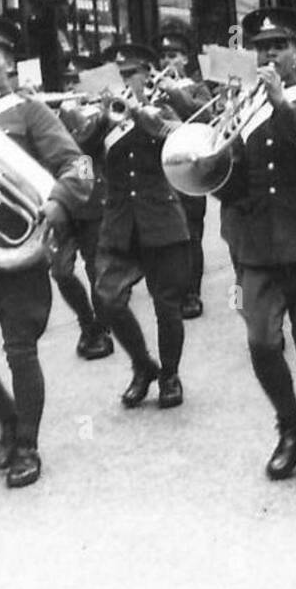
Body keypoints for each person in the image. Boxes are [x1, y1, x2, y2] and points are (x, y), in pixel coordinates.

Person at [0, 36, 93, 487]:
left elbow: (80, 166)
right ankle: (7, 417)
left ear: (10, 64)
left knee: (20, 352)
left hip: (18, 250)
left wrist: (60, 203)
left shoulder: (30, 111)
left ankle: (26, 442)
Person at [215, 7, 296, 484]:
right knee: (261, 342)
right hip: (256, 243)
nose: (268, 54)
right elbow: (226, 177)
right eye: (260, 47)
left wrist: (283, 107)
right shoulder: (238, 105)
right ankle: (291, 425)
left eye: (278, 46)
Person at [92, 43, 193, 409]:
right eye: (116, 76)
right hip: (120, 223)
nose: (121, 82)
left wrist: (136, 111)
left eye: (127, 75)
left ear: (145, 76)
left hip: (161, 221)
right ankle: (142, 365)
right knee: (106, 299)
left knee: (166, 306)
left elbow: (177, 139)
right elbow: (81, 153)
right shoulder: (103, 117)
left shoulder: (162, 108)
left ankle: (170, 374)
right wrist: (100, 118)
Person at [51, 57, 115, 361]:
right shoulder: (54, 113)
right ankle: (86, 320)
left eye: (77, 82)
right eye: (68, 82)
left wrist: (102, 113)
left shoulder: (98, 114)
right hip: (63, 203)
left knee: (95, 271)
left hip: (92, 202)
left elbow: (85, 147)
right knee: (61, 271)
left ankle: (100, 329)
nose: (72, 87)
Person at [155, 30, 210, 318]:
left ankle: (192, 292)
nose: (167, 60)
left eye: (173, 55)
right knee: (169, 234)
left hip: (189, 165)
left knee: (191, 232)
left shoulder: (197, 87)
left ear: (186, 59)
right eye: (163, 56)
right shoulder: (154, 90)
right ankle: (174, 287)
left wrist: (174, 93)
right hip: (161, 170)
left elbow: (203, 116)